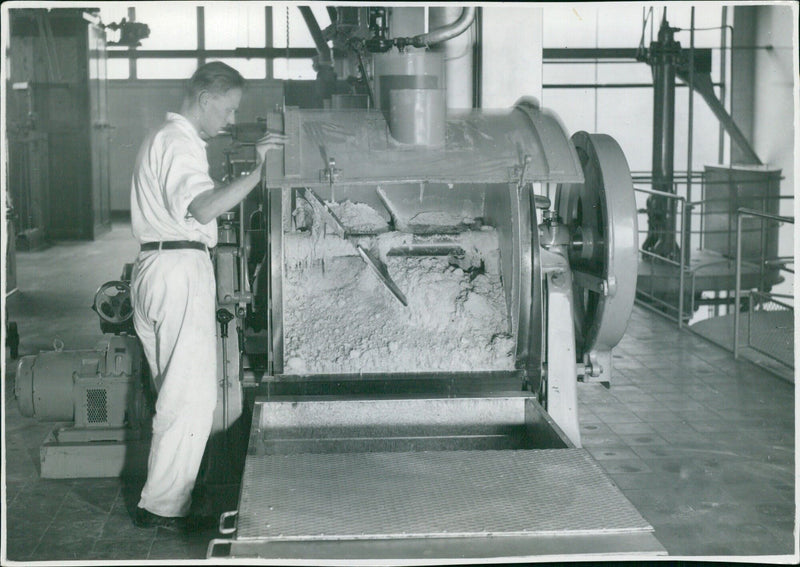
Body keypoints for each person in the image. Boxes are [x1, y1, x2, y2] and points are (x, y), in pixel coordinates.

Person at [129, 61, 285, 531]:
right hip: (178, 268)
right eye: (229, 109)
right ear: (204, 99)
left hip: (156, 266)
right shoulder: (179, 143)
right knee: (190, 397)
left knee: (175, 394)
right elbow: (202, 208)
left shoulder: (165, 138)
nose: (232, 120)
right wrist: (261, 171)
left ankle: (167, 497)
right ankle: (163, 507)